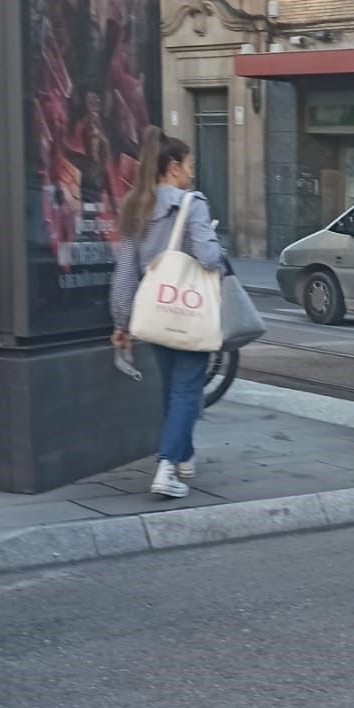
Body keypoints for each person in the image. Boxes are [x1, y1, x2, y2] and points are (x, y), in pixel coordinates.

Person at [110, 127, 222, 499]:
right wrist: (213, 244)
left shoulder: (134, 206)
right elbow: (208, 257)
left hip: (154, 314)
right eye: (189, 163)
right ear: (173, 166)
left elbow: (125, 271)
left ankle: (185, 455)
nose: (192, 170)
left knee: (174, 389)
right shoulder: (192, 204)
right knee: (188, 388)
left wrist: (121, 322)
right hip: (188, 311)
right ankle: (167, 466)